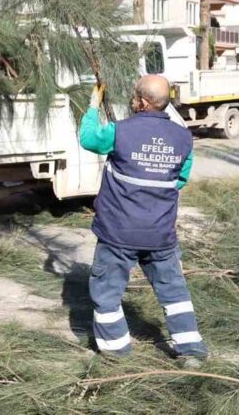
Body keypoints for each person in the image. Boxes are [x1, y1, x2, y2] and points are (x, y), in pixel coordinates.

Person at [78, 77, 209, 364]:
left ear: (142, 102)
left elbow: (88, 139)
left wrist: (93, 106)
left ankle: (117, 352)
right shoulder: (184, 138)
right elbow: (180, 180)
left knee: (107, 292)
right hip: (160, 234)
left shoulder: (119, 131)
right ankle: (191, 351)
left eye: (135, 96)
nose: (132, 100)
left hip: (117, 235)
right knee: (174, 291)